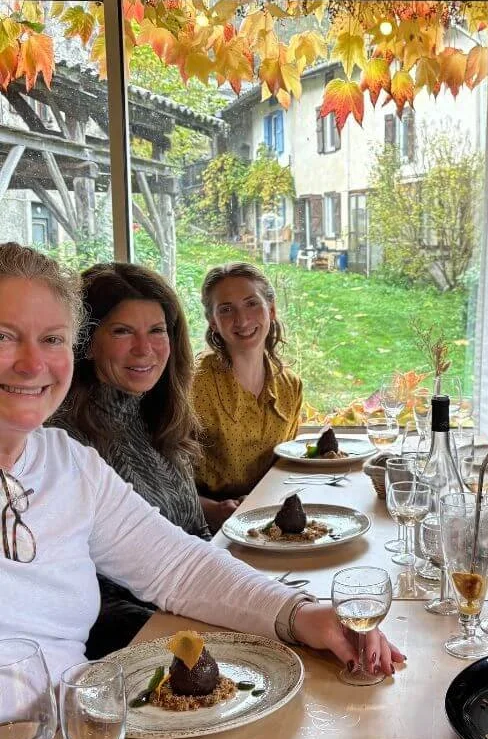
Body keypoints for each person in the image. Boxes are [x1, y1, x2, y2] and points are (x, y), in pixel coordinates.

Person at [0, 242, 402, 682]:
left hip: (76, 724)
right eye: (3, 336)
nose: (32, 363)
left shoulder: (65, 461)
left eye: (51, 338)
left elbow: (176, 566)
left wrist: (302, 614)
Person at [52, 262, 210, 657]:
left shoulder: (155, 416)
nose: (145, 349)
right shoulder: (63, 440)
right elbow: (90, 598)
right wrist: (197, 635)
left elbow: (197, 534)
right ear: (86, 342)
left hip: (188, 614)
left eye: (157, 331)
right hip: (128, 650)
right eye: (123, 331)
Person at [192, 262, 302, 531]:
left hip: (271, 523)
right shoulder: (193, 384)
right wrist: (213, 510)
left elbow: (287, 468)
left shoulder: (291, 387)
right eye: (226, 309)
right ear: (213, 322)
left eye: (251, 303)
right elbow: (161, 480)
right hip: (203, 528)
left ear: (272, 310)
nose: (242, 320)